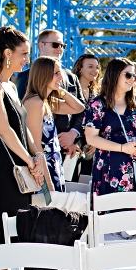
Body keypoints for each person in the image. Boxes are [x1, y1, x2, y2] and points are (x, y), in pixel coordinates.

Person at [0, 26, 45, 270]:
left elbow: (23, 127)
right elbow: (5, 130)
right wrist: (30, 161)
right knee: (6, 230)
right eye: (24, 54)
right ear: (7, 53)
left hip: (21, 163)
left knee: (23, 226)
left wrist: (37, 156)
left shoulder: (10, 86)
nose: (27, 59)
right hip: (6, 169)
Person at [82, 58, 136, 199]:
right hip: (108, 167)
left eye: (134, 75)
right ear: (114, 75)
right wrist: (122, 148)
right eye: (128, 75)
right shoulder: (97, 104)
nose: (133, 79)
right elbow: (91, 138)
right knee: (109, 209)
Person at [16, 29, 85, 164]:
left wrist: (73, 135)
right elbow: (21, 115)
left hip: (66, 149)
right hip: (41, 153)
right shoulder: (27, 80)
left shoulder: (70, 77)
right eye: (55, 45)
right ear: (41, 45)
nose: (60, 49)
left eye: (63, 46)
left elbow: (82, 108)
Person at [22, 56, 86, 192]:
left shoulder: (46, 102)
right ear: (43, 75)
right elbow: (36, 146)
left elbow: (79, 108)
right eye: (56, 73)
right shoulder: (35, 102)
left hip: (54, 165)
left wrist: (60, 90)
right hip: (45, 170)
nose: (61, 77)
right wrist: (48, 183)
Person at [71, 53, 101, 178]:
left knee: (85, 182)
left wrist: (95, 141)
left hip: (88, 148)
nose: (95, 70)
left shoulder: (95, 93)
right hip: (72, 146)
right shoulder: (71, 90)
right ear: (80, 69)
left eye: (97, 67)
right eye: (90, 66)